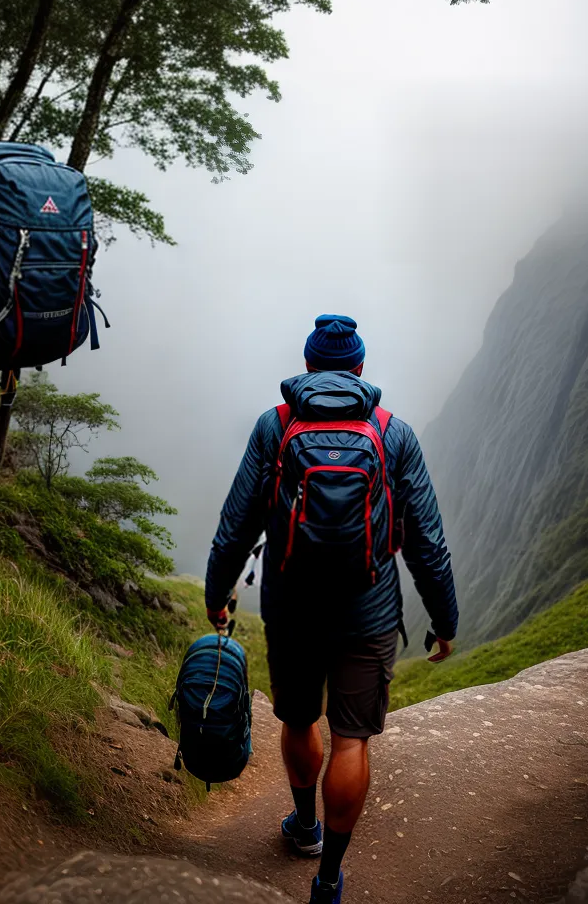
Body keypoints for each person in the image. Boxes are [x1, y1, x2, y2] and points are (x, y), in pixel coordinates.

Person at [204, 314, 459, 904]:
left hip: (292, 606)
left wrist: (218, 595)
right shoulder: (394, 434)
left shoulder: (276, 427)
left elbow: (236, 522)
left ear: (308, 366)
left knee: (299, 721)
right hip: (367, 610)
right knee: (351, 741)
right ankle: (327, 881)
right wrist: (444, 621)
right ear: (361, 370)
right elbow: (427, 541)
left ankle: (304, 827)